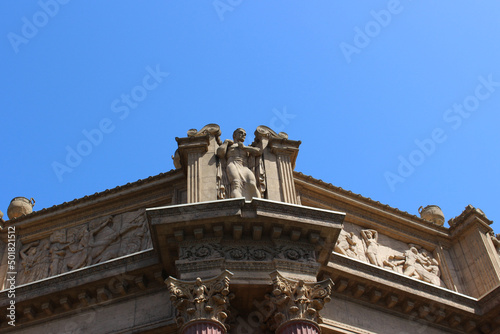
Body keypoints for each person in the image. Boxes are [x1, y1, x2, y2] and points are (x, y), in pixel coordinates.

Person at [217, 128, 262, 200]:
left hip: (244, 167)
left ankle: (258, 204)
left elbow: (259, 152)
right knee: (236, 184)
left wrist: (244, 148)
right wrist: (225, 142)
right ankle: (238, 203)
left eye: (245, 134)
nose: (243, 135)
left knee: (252, 184)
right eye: (241, 133)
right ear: (234, 135)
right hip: (233, 164)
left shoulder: (246, 147)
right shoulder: (230, 146)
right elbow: (220, 154)